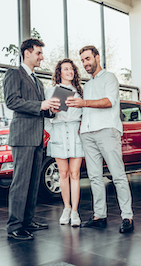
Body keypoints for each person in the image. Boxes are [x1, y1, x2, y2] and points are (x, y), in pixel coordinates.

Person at [66, 45, 134, 233]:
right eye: (82, 61)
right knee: (95, 177)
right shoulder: (87, 85)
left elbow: (109, 101)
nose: (85, 64)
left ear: (97, 57)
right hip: (87, 134)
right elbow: (84, 108)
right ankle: (99, 216)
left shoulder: (110, 77)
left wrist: (84, 103)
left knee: (118, 175)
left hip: (107, 131)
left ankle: (127, 217)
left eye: (88, 59)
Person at [4, 38, 60, 240]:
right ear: (26, 53)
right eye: (38, 53)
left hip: (37, 137)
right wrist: (40, 105)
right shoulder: (14, 74)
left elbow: (40, 108)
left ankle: (27, 220)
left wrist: (51, 110)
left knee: (33, 182)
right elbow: (12, 101)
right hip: (23, 136)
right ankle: (15, 226)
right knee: (20, 182)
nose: (41, 57)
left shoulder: (37, 81)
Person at [44, 59, 84, 227]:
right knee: (63, 174)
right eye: (65, 69)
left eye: (72, 69)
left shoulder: (80, 92)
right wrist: (52, 132)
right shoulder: (51, 91)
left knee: (75, 174)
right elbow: (45, 117)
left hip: (75, 133)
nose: (69, 71)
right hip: (59, 132)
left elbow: (85, 115)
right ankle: (66, 208)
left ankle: (75, 211)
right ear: (59, 72)